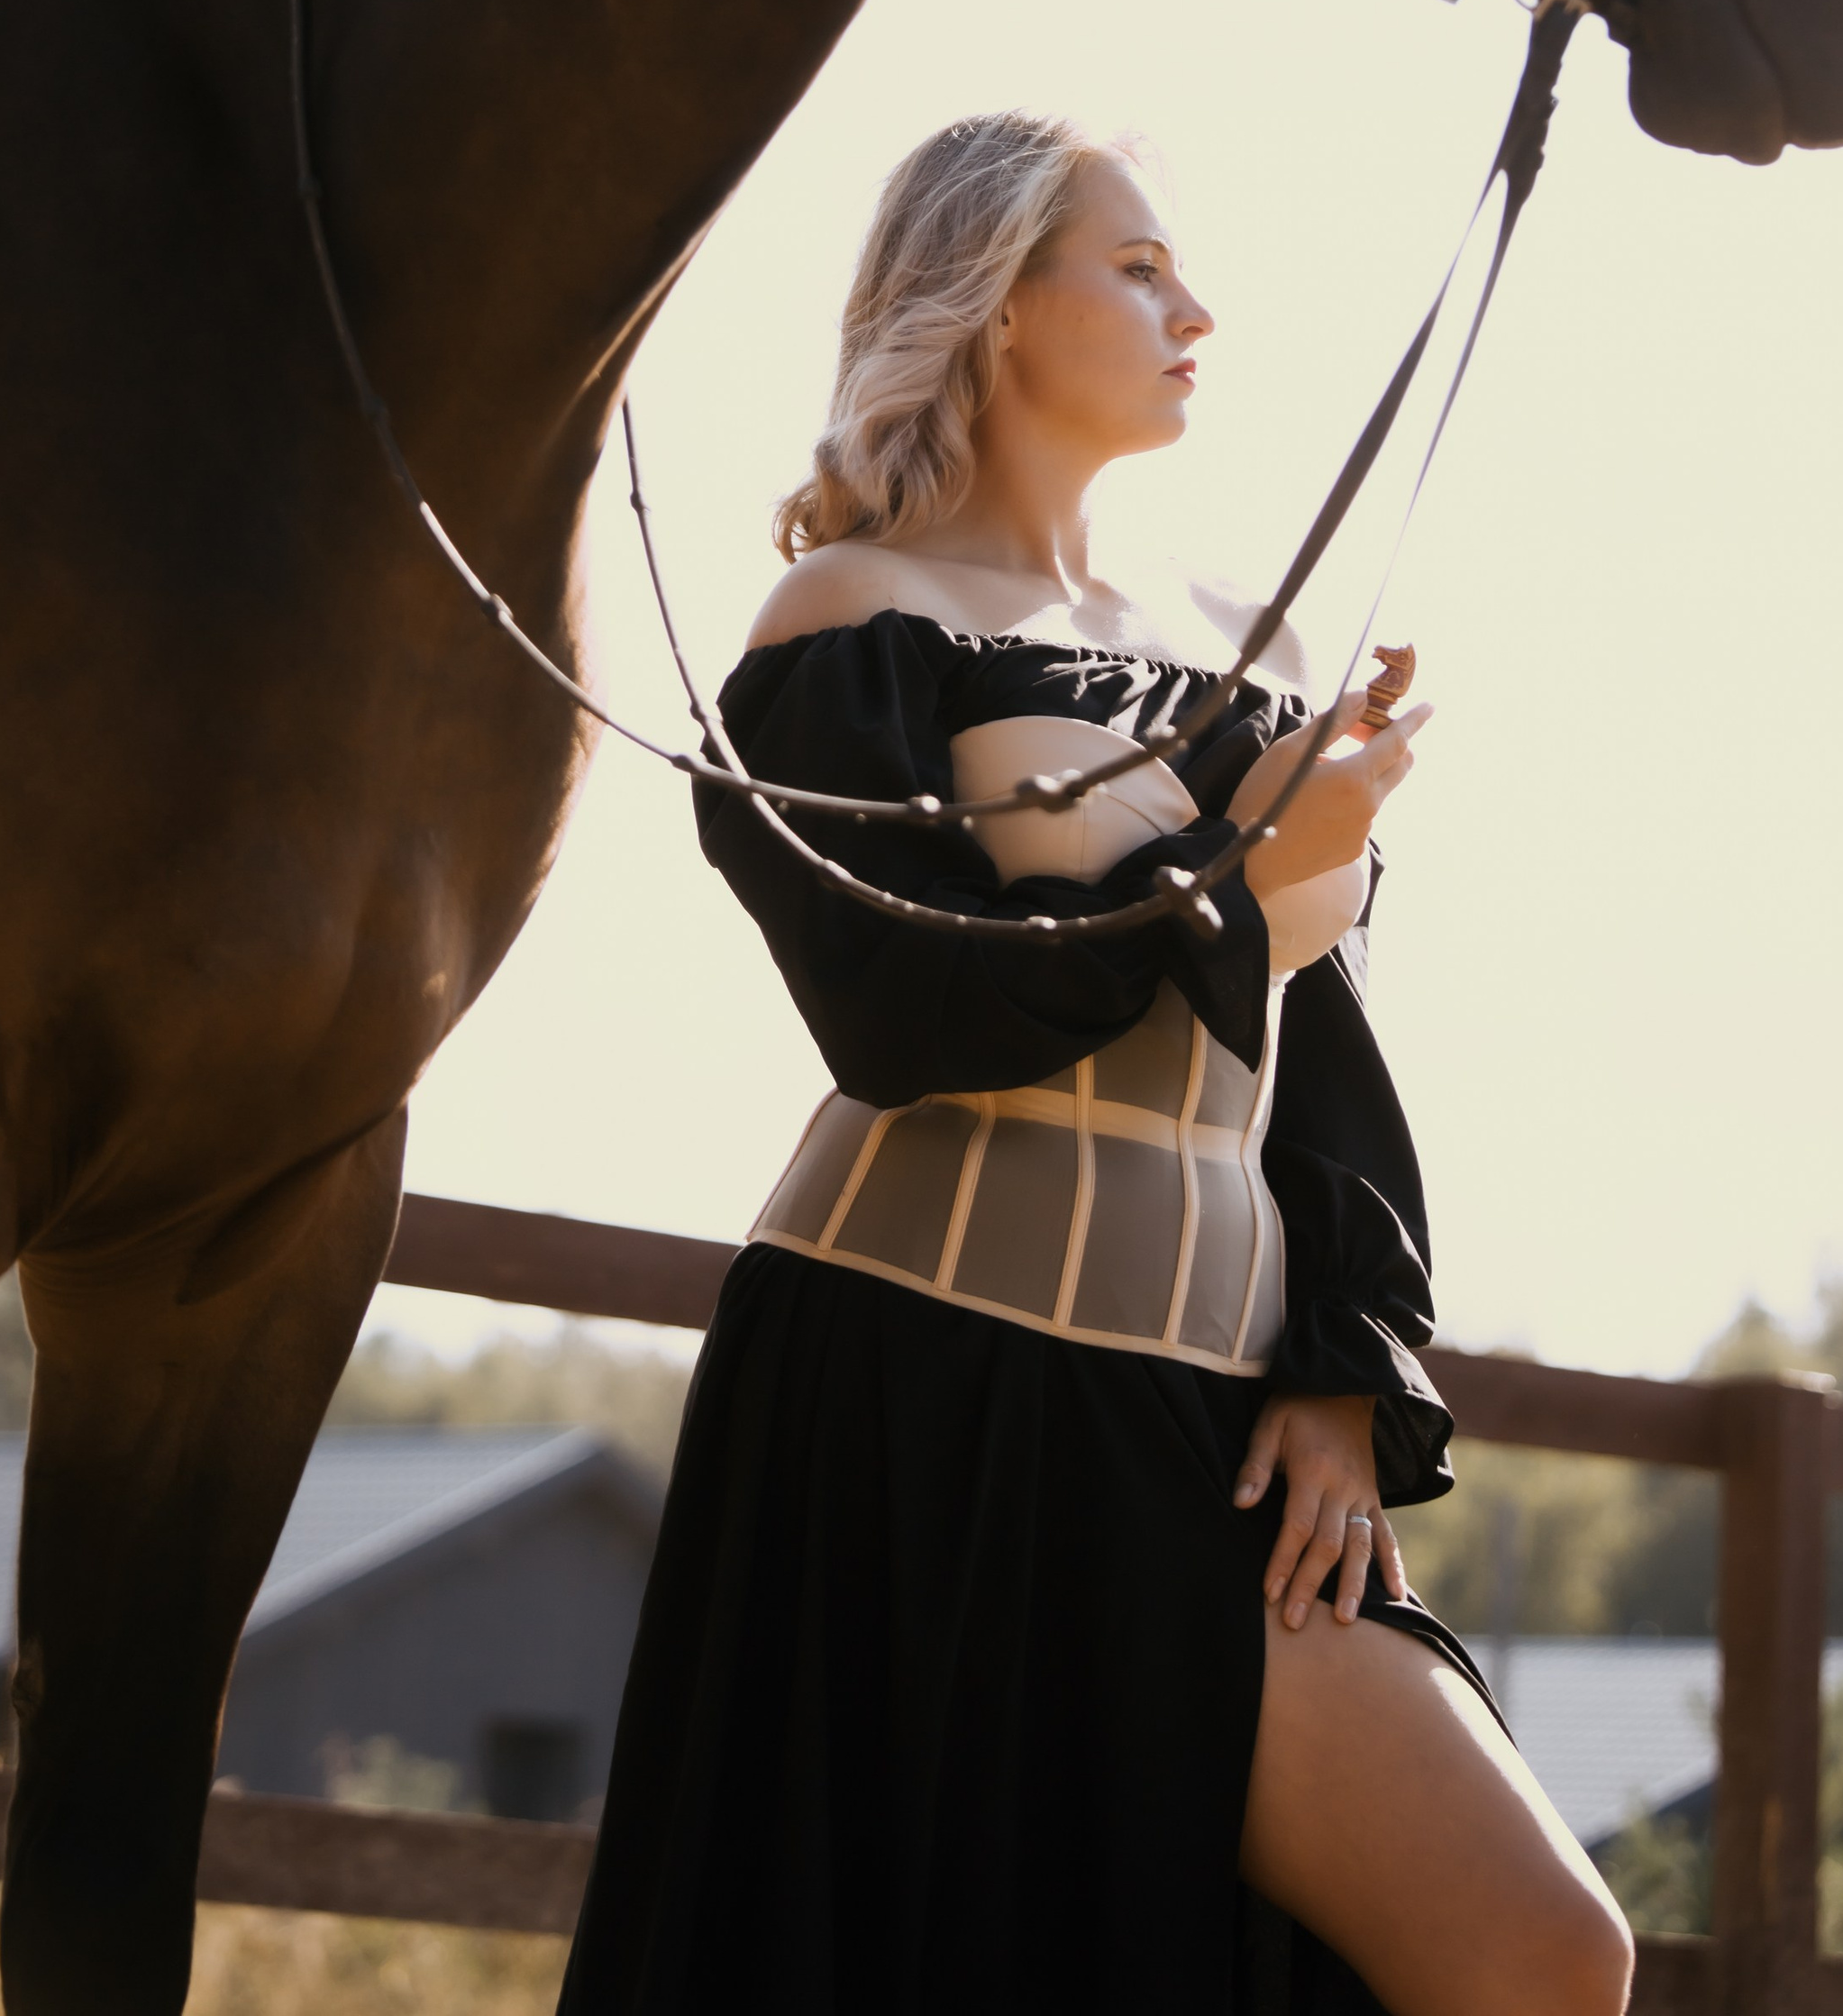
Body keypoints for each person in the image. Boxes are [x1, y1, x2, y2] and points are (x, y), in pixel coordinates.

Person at [557, 114, 1633, 2016]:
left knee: (1536, 1949)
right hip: (905, 1399)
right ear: (986, 306)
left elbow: (1326, 1058)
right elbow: (905, 1016)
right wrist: (1243, 876)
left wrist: (1340, 1381)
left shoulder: (1254, 640)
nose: (1190, 307)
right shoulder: (848, 625)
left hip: (1206, 1441)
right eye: (1135, 268)